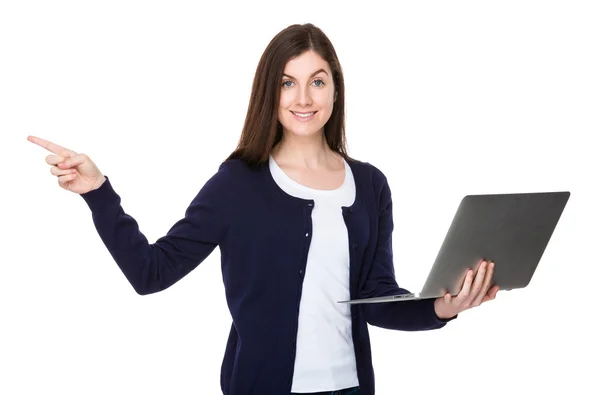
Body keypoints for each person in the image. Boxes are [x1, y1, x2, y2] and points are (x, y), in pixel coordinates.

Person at [28, 23, 499, 395]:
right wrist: (98, 192)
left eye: (317, 81)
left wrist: (444, 306)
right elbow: (151, 272)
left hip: (352, 388)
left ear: (335, 89)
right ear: (269, 92)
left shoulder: (371, 185)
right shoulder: (239, 183)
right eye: (287, 83)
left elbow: (376, 299)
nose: (303, 98)